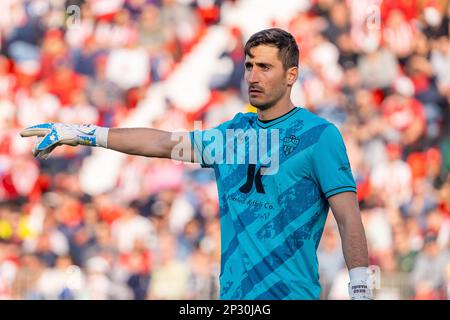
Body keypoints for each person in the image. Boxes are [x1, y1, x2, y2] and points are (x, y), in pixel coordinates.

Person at [20, 28, 372, 300]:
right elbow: (161, 142)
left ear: (292, 75)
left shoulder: (319, 136)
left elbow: (348, 217)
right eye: (249, 65)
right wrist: (85, 133)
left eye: (265, 67)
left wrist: (360, 289)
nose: (252, 76)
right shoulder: (231, 134)